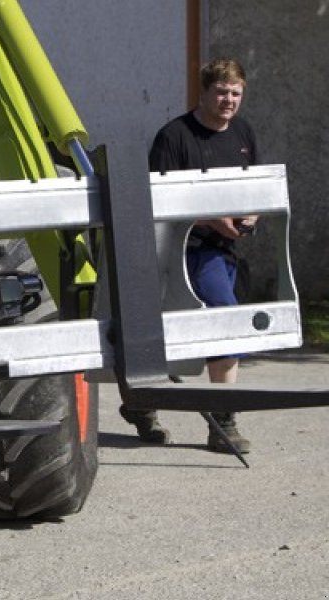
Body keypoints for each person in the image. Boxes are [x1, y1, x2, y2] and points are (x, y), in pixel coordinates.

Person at [120, 57, 258, 453]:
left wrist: (251, 215)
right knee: (224, 322)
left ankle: (139, 404)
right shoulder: (175, 136)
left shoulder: (244, 133)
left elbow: (255, 185)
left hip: (225, 251)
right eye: (221, 92)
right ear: (203, 92)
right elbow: (157, 205)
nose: (229, 100)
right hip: (182, 253)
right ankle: (224, 423)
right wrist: (215, 221)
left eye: (236, 93)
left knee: (175, 335)